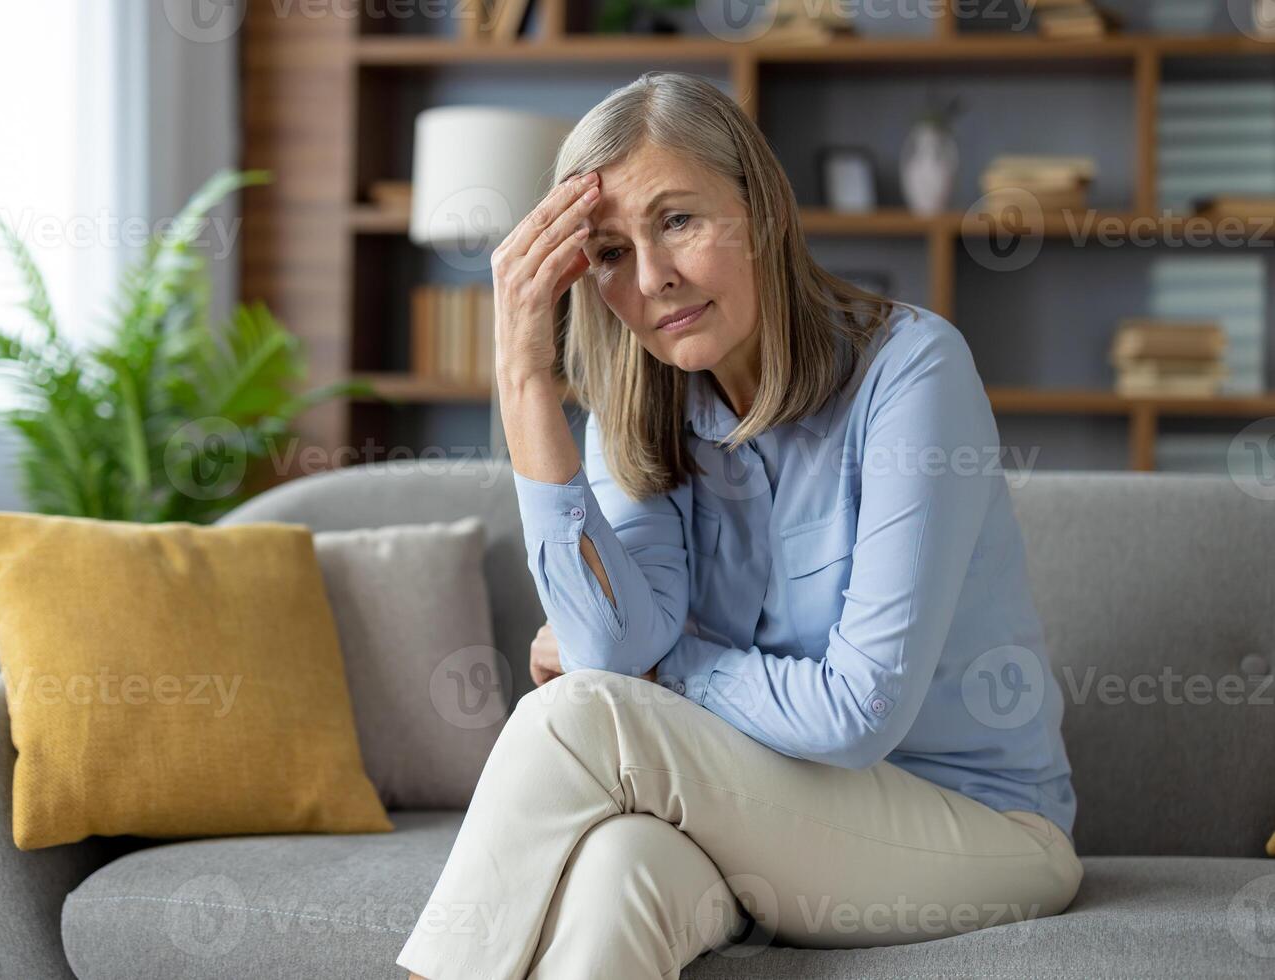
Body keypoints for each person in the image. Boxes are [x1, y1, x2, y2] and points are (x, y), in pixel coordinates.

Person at [397, 70, 1081, 980]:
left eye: (678, 220)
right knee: (617, 875)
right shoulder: (639, 410)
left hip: (979, 832)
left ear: (757, 209)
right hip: (764, 812)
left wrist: (657, 666)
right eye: (607, 253)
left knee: (572, 721)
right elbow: (612, 646)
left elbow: (854, 712)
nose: (652, 279)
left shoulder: (912, 372)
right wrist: (524, 381)